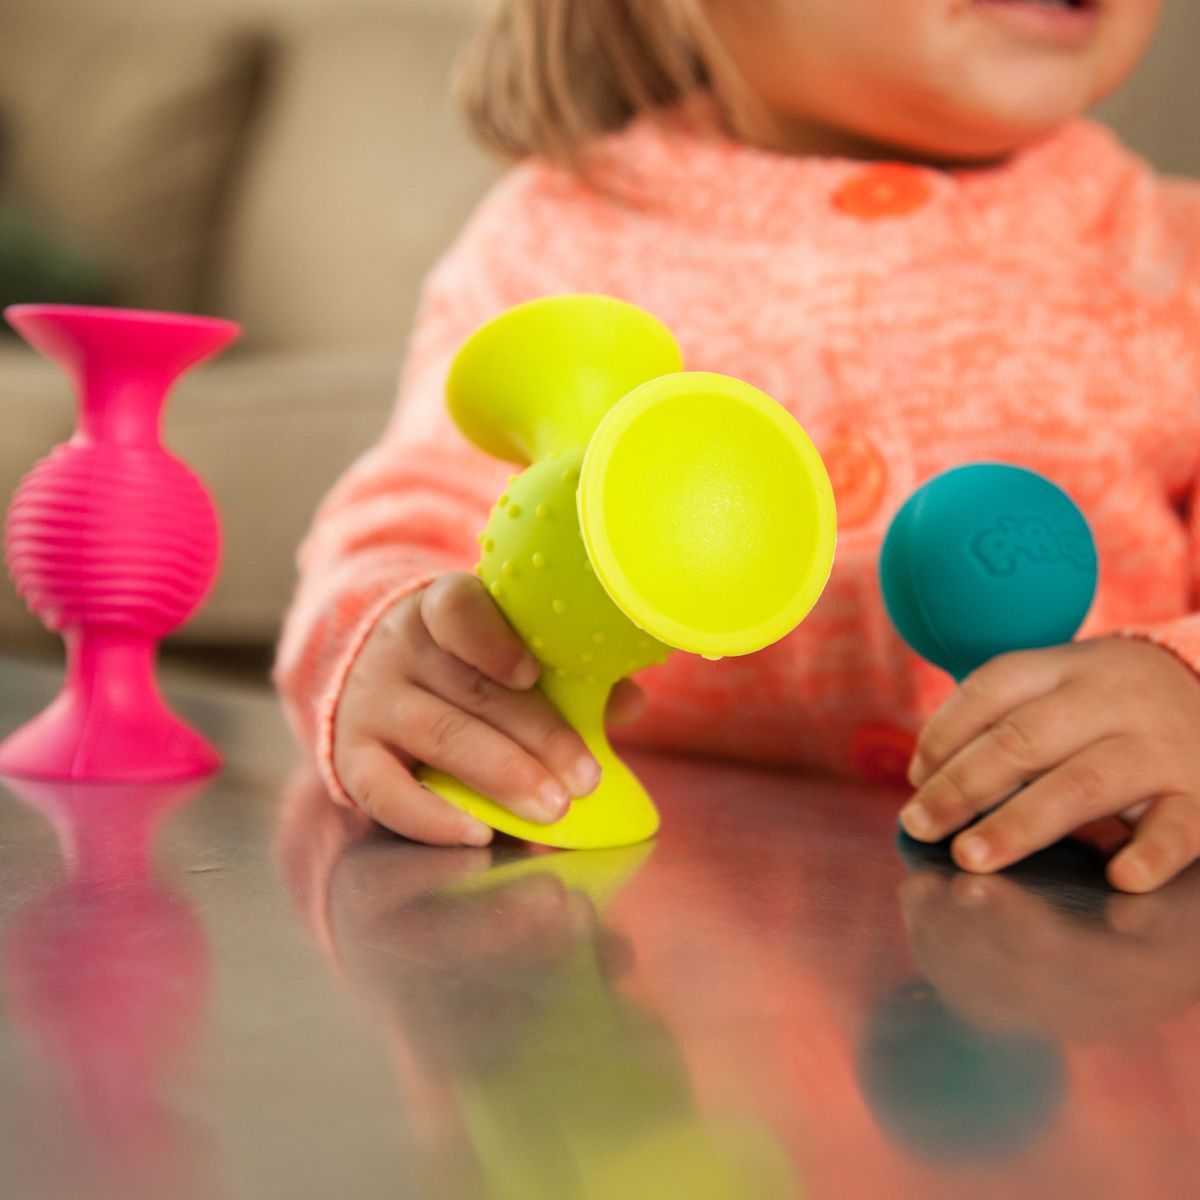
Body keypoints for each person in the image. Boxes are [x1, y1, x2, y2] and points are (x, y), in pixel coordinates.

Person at [275, 0, 1200, 892]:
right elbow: (408, 518)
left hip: (1071, 943)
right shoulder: (557, 232)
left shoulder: (1178, 252)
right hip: (630, 929)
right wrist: (385, 652)